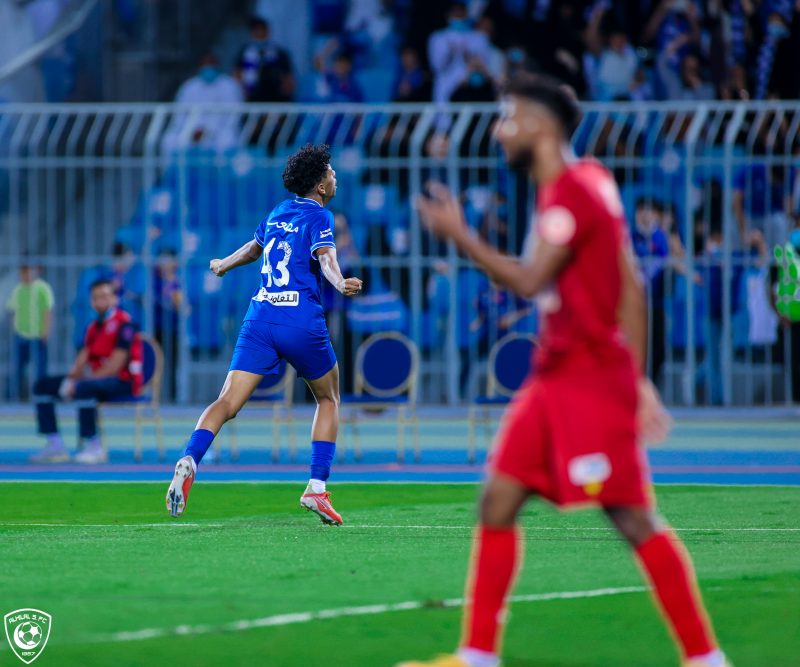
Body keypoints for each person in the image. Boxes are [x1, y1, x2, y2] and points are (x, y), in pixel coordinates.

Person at [402, 75, 731, 667]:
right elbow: (630, 287)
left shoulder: (572, 192)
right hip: (555, 375)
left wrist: (459, 237)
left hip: (588, 378)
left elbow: (530, 281)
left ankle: (706, 658)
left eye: (507, 118)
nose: (499, 131)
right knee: (498, 501)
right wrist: (640, 374)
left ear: (541, 126)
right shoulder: (585, 184)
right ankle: (477, 656)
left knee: (631, 516)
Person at [166, 144, 363, 524]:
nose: (335, 176)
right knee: (328, 397)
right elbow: (326, 259)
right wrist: (339, 284)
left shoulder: (278, 211)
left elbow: (254, 250)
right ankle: (317, 489)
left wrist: (223, 264)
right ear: (320, 184)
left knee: (226, 402)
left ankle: (190, 457)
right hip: (299, 320)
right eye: (331, 172)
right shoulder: (320, 216)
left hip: (259, 318)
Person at [30, 279, 143, 464]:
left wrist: (79, 383)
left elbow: (115, 365)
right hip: (97, 381)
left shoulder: (125, 324)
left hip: (124, 382)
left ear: (114, 299)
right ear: (92, 302)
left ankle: (94, 446)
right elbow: (83, 357)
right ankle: (55, 444)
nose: (101, 302)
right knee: (43, 386)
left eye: (105, 296)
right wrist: (69, 379)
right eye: (97, 298)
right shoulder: (92, 327)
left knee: (84, 388)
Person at [162, 53, 244, 153]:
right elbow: (180, 114)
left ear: (217, 66)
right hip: (192, 129)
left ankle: (220, 169)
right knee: (169, 140)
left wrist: (208, 130)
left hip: (220, 130)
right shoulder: (189, 87)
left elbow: (233, 115)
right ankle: (176, 169)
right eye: (204, 65)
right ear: (199, 68)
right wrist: (192, 130)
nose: (208, 68)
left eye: (211, 65)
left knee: (227, 141)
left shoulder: (229, 85)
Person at [6, 261, 54, 400]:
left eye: (28, 271)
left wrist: (46, 331)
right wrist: (13, 329)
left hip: (38, 335)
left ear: (37, 270)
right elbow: (12, 310)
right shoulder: (18, 289)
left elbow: (48, 311)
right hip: (21, 335)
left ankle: (41, 397)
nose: (25, 275)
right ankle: (12, 397)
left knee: (40, 369)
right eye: (23, 272)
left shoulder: (43, 288)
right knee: (17, 369)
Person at [235, 16, 295, 102]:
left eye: (261, 29)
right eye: (255, 30)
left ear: (267, 31)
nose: (258, 33)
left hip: (276, 99)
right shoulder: (244, 52)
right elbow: (237, 74)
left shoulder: (279, 53)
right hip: (252, 99)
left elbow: (288, 77)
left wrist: (285, 93)